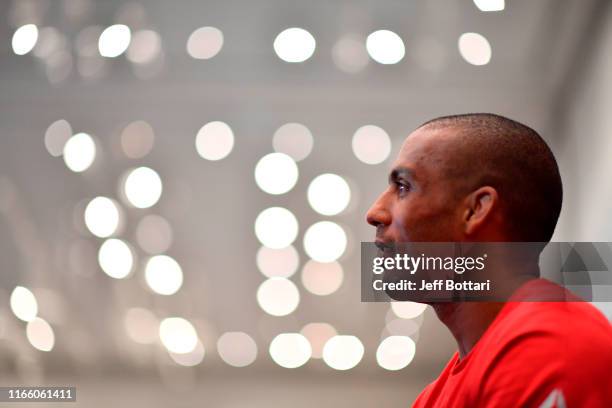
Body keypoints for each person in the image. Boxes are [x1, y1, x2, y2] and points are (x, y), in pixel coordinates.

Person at [366, 113, 612, 407]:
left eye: (404, 187)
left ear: (475, 210)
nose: (375, 212)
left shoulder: (547, 346)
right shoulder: (432, 399)